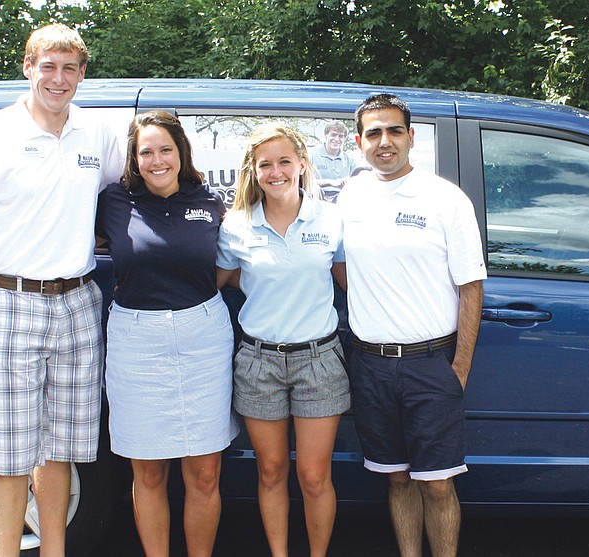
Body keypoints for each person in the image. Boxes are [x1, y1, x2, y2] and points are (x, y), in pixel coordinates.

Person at [0, 23, 124, 557]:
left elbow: (118, 203)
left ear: (82, 74)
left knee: (61, 448)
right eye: (49, 66)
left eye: (70, 68)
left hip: (78, 302)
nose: (59, 79)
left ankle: (53, 552)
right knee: (9, 450)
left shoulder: (98, 136)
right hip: (9, 301)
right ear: (28, 68)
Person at [336, 93, 485, 557]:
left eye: (394, 131)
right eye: (374, 133)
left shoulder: (444, 199)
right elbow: (339, 267)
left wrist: (458, 369)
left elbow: (471, 286)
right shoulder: (349, 196)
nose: (385, 142)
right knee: (398, 481)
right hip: (371, 365)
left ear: (411, 137)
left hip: (430, 364)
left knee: (437, 486)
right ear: (359, 142)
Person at [96, 110, 238, 557]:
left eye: (165, 150)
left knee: (204, 474)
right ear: (134, 160)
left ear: (181, 152)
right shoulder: (113, 201)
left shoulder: (212, 201)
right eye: (146, 152)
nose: (157, 160)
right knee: (149, 473)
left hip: (203, 338)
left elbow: (234, 266)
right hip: (136, 342)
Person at [216, 122, 350, 557]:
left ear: (302, 165)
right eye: (265, 164)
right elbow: (218, 280)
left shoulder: (330, 219)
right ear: (253, 171)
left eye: (285, 162)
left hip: (319, 359)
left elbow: (352, 282)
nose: (276, 172)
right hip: (259, 361)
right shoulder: (236, 225)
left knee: (313, 475)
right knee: (271, 471)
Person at [310, 121, 359, 203]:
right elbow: (307, 181)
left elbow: (357, 181)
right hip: (318, 197)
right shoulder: (312, 155)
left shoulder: (350, 160)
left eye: (340, 136)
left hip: (342, 198)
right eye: (333, 135)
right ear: (326, 135)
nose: (337, 139)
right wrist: (332, 183)